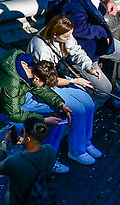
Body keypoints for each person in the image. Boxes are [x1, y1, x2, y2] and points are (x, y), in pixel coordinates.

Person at [23, 28, 105, 163]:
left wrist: (89, 67)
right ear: (55, 34)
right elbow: (48, 80)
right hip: (46, 86)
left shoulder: (64, 36)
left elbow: (76, 51)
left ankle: (86, 141)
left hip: (58, 78)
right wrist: (74, 81)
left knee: (88, 102)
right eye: (66, 36)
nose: (70, 38)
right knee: (77, 109)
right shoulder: (40, 48)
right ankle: (76, 150)